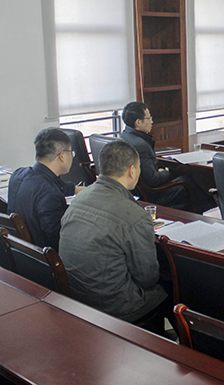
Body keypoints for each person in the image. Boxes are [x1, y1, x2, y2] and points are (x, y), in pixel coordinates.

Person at [59, 140, 169, 327]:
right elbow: (148, 278)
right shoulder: (134, 215)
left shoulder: (78, 199)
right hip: (115, 308)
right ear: (132, 171)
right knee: (171, 287)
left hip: (77, 298)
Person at [120, 101, 214, 213]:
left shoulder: (125, 136)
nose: (152, 122)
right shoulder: (140, 145)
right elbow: (153, 180)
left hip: (136, 192)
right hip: (153, 195)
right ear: (138, 122)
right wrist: (166, 171)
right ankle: (211, 208)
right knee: (187, 181)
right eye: (149, 118)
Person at [8, 128, 82, 251]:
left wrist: (75, 189)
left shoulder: (19, 174)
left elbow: (49, 185)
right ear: (62, 156)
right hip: (47, 256)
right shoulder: (50, 194)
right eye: (71, 153)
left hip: (23, 252)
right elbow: (60, 240)